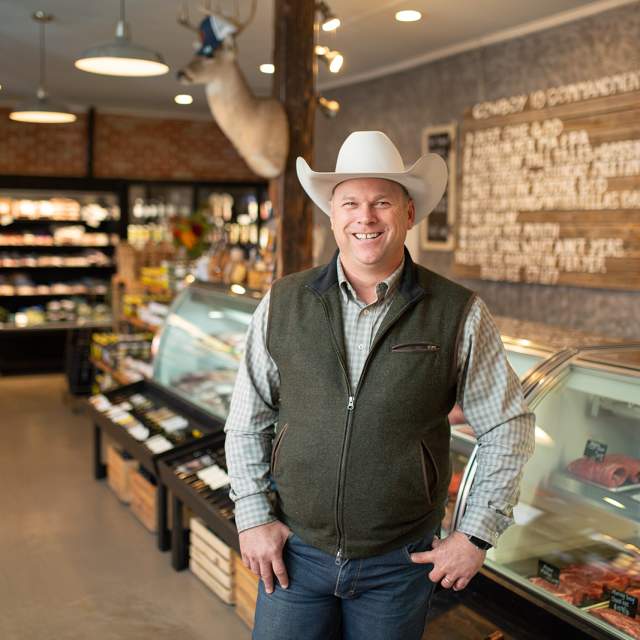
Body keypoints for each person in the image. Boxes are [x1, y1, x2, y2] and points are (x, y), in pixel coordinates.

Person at [224, 130, 535, 640]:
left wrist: (476, 535)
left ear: (408, 214)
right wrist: (253, 517)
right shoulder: (284, 301)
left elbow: (509, 426)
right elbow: (246, 420)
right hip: (294, 555)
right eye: (350, 203)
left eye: (382, 203)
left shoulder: (457, 312)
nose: (365, 218)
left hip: (399, 565)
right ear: (333, 215)